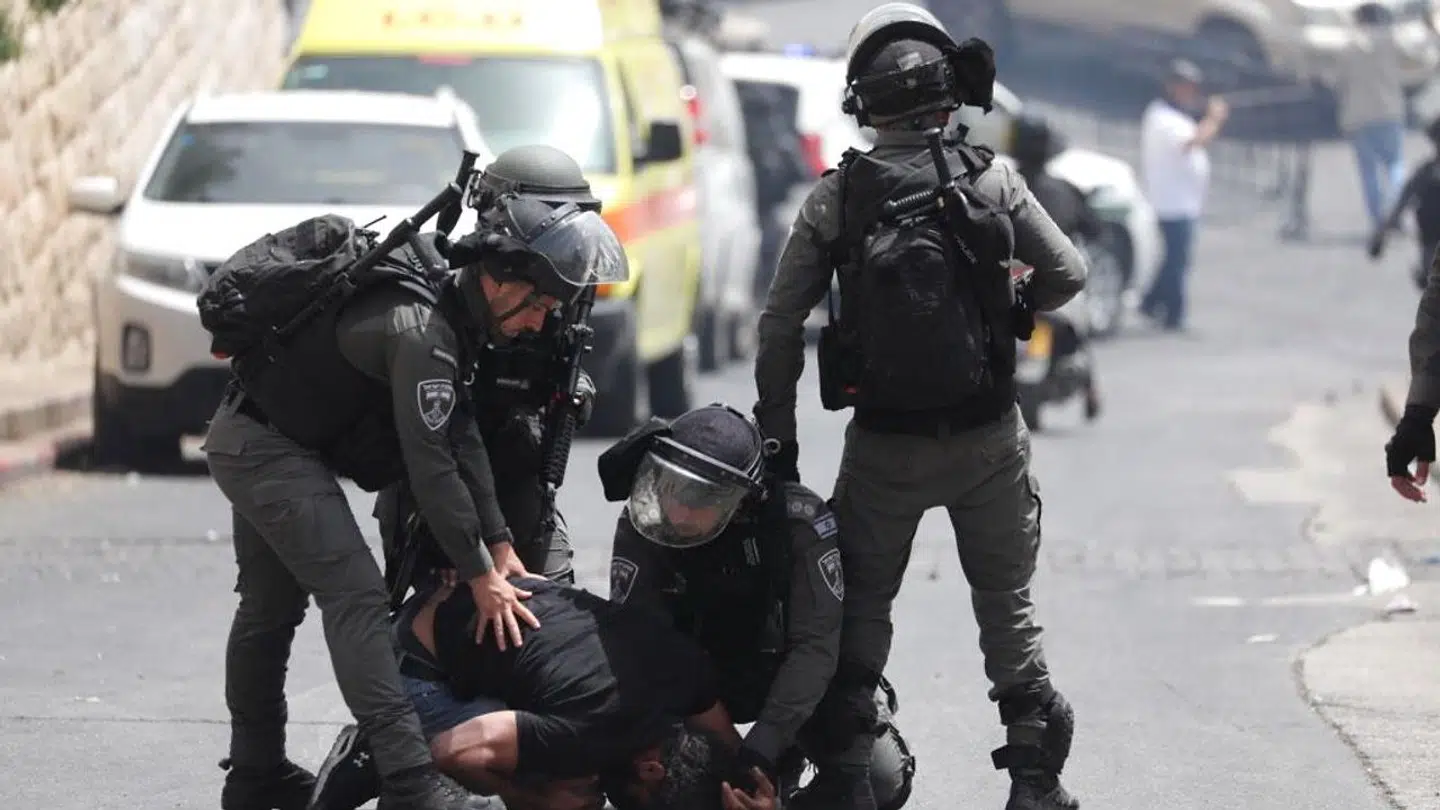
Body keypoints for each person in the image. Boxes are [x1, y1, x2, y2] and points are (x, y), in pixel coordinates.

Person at [200, 146, 629, 810]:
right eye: (539, 301)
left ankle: (254, 779)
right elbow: (431, 467)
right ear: (500, 275)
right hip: (263, 445)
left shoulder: (458, 312)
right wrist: (481, 573)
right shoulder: (423, 330)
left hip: (281, 432)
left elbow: (462, 443)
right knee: (354, 598)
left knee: (270, 609)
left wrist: (500, 545)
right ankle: (410, 780)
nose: (543, 318)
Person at [753, 4, 1086, 810]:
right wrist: (1012, 311)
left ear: (863, 102)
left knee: (861, 608)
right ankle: (1035, 782)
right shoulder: (992, 180)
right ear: (947, 97)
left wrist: (780, 441)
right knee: (1006, 608)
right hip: (989, 438)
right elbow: (1068, 273)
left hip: (884, 447)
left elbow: (778, 323)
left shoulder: (836, 199)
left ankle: (849, 777)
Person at [599, 404, 916, 810]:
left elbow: (814, 649)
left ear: (741, 500)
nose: (678, 509)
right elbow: (641, 647)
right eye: (673, 487)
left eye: (698, 497)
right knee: (651, 786)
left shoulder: (799, 523)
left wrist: (763, 747)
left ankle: (786, 771)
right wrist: (721, 758)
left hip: (787, 678)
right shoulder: (647, 524)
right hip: (694, 689)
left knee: (880, 782)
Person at [307, 574, 781, 810]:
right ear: (652, 768)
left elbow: (732, 752)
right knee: (563, 791)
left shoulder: (686, 674)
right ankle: (377, 745)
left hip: (485, 595)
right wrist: (532, 800)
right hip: (417, 661)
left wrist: (757, 796)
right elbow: (454, 751)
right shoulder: (591, 735)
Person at [375, 145, 613, 592]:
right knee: (441, 625)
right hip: (440, 495)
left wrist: (575, 393)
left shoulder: (560, 301)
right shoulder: (458, 294)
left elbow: (560, 379)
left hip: (520, 485)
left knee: (551, 607)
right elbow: (435, 444)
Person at [1138, 58, 1228, 331]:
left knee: (1173, 257)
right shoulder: (1162, 118)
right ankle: (1173, 314)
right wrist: (1214, 118)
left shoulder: (1173, 116)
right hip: (1171, 202)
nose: (1190, 93)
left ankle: (1151, 302)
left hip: (1182, 201)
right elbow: (1193, 142)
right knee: (1178, 259)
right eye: (1185, 87)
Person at [1334, 2, 1408, 230]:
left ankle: (1377, 219)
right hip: (1389, 112)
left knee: (1369, 172)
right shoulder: (1392, 42)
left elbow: (1339, 82)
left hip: (1359, 117)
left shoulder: (1349, 48)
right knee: (1395, 164)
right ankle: (1397, 211)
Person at [1367, 116, 1440, 289]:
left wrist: (1381, 236)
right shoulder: (1425, 173)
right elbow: (1401, 204)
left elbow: (1401, 204)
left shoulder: (1425, 173)